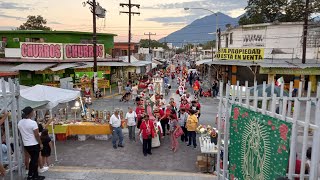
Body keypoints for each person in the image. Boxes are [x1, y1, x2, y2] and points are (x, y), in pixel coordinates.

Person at [18, 106, 45, 180]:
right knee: (34, 160)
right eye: (33, 112)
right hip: (33, 144)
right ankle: (30, 176)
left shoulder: (20, 122)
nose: (34, 113)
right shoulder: (33, 123)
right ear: (30, 113)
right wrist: (40, 143)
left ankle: (35, 175)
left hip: (26, 144)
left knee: (34, 160)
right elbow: (36, 135)